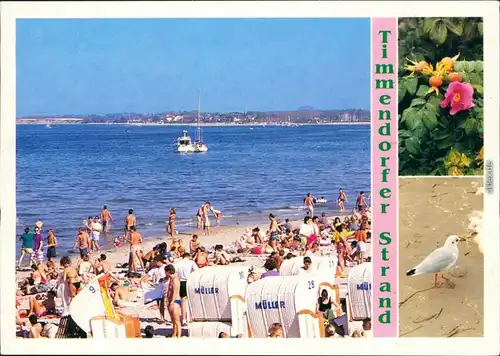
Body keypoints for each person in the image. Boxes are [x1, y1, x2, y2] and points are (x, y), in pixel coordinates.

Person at [174, 252, 198, 326]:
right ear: (188, 256)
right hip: (189, 281)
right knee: (191, 300)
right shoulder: (191, 262)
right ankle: (190, 317)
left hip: (181, 282)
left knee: (183, 301)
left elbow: (174, 273)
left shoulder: (177, 263)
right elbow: (197, 271)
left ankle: (184, 319)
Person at [164, 264, 182, 337]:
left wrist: (171, 302)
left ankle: (179, 336)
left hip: (175, 301)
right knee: (173, 321)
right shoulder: (171, 278)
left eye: (165, 271)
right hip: (171, 300)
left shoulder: (175, 279)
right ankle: (174, 334)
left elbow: (175, 292)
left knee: (177, 321)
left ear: (168, 272)